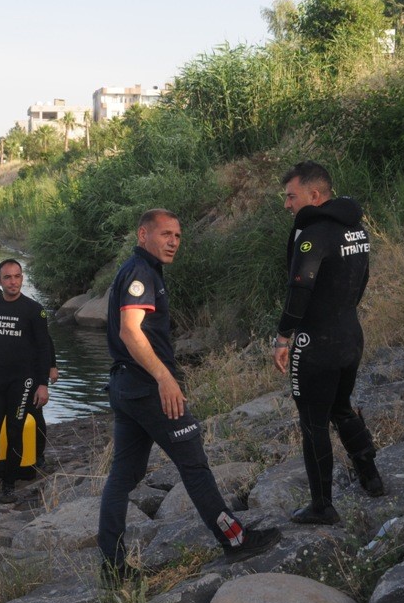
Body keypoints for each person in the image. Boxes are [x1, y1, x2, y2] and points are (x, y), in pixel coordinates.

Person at [98, 209, 282, 583]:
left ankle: (113, 568)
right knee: (194, 464)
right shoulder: (140, 273)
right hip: (148, 388)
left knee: (123, 476)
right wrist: (165, 378)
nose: (173, 242)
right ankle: (235, 540)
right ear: (142, 234)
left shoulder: (139, 270)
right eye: (165, 234)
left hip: (126, 386)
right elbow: (131, 332)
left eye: (178, 236)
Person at [273, 161, 385, 526]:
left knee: (313, 422)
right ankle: (372, 478)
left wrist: (284, 335)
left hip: (316, 341)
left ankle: (322, 505)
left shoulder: (313, 232)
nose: (288, 205)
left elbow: (300, 286)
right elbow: (363, 278)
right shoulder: (355, 228)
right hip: (350, 334)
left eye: (292, 196)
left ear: (314, 195)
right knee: (341, 407)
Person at [0, 260, 53, 509]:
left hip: (23, 382)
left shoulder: (34, 310)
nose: (13, 282)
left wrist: (43, 384)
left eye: (17, 277)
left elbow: (44, 347)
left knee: (15, 431)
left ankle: (8, 486)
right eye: (8, 278)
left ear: (22, 278)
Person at [0, 284, 56, 471]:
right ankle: (3, 457)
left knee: (35, 414)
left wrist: (51, 367)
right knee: (4, 419)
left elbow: (45, 342)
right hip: (1, 379)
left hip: (29, 376)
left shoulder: (28, 311)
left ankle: (38, 456)